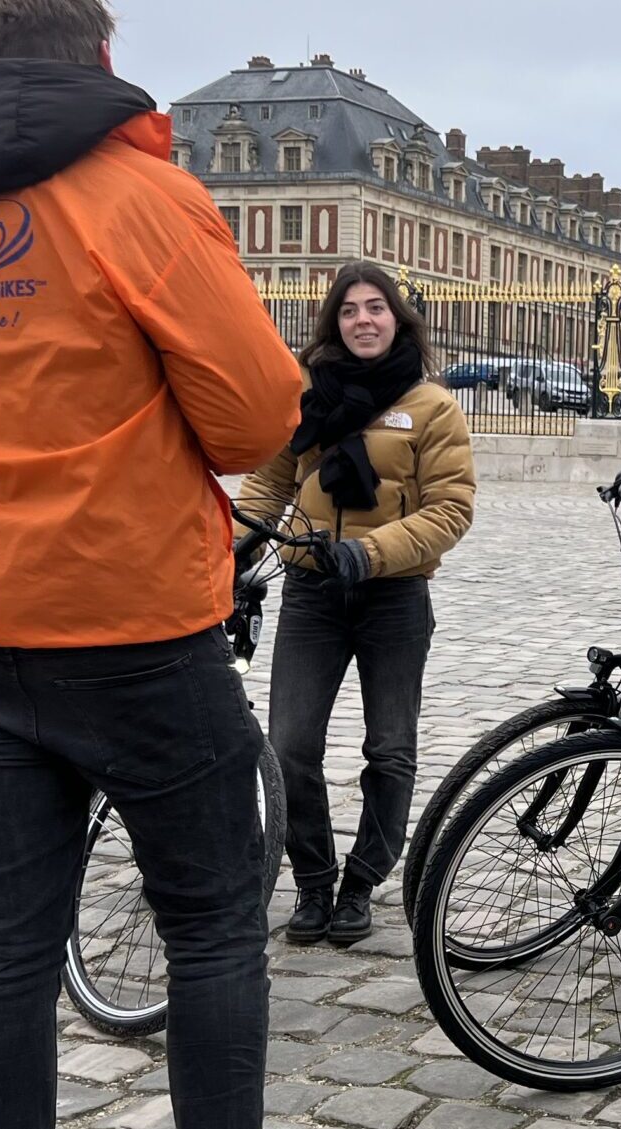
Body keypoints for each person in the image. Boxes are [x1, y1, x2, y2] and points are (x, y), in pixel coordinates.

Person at [0, 2, 303, 1129]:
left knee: (4, 938)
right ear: (102, 55)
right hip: (132, 626)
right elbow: (257, 418)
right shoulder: (143, 198)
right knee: (213, 924)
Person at [238, 262, 478, 949]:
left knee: (390, 748)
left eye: (376, 307)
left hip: (393, 595)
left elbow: (451, 509)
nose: (363, 319)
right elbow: (267, 486)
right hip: (313, 591)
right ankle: (313, 881)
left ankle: (362, 883)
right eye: (349, 310)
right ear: (333, 323)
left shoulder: (431, 405)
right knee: (288, 747)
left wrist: (370, 554)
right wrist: (234, 552)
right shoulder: (308, 394)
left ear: (398, 318)